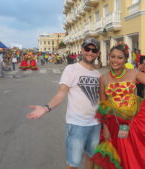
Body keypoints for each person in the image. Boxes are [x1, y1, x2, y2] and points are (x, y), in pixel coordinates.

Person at [26, 38, 102, 169]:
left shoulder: (97, 74)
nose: (90, 52)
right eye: (87, 49)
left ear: (98, 53)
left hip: (95, 124)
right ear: (82, 50)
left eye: (93, 50)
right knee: (73, 163)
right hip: (77, 124)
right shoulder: (71, 69)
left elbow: (100, 98)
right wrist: (46, 108)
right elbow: (61, 93)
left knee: (92, 157)